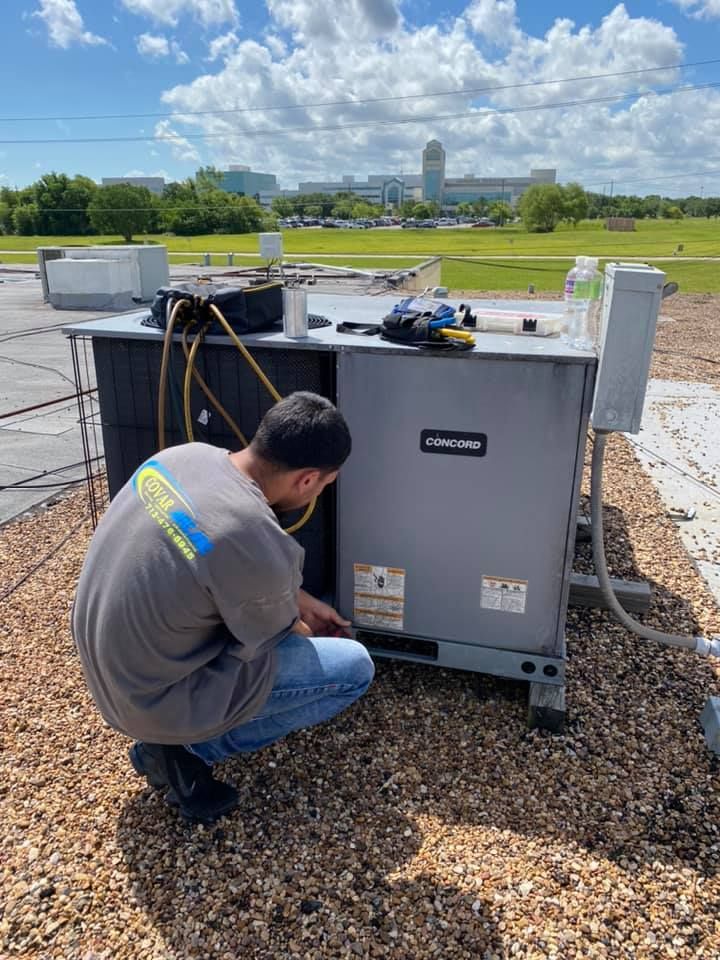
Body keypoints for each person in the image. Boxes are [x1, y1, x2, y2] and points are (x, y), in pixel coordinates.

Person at [72, 392, 374, 823]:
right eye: (327, 484)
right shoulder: (255, 537)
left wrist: (296, 597)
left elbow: (212, 564)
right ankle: (183, 749)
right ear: (308, 480)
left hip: (106, 667)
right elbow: (278, 640)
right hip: (148, 700)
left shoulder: (186, 456)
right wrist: (305, 623)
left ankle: (171, 737)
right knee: (352, 669)